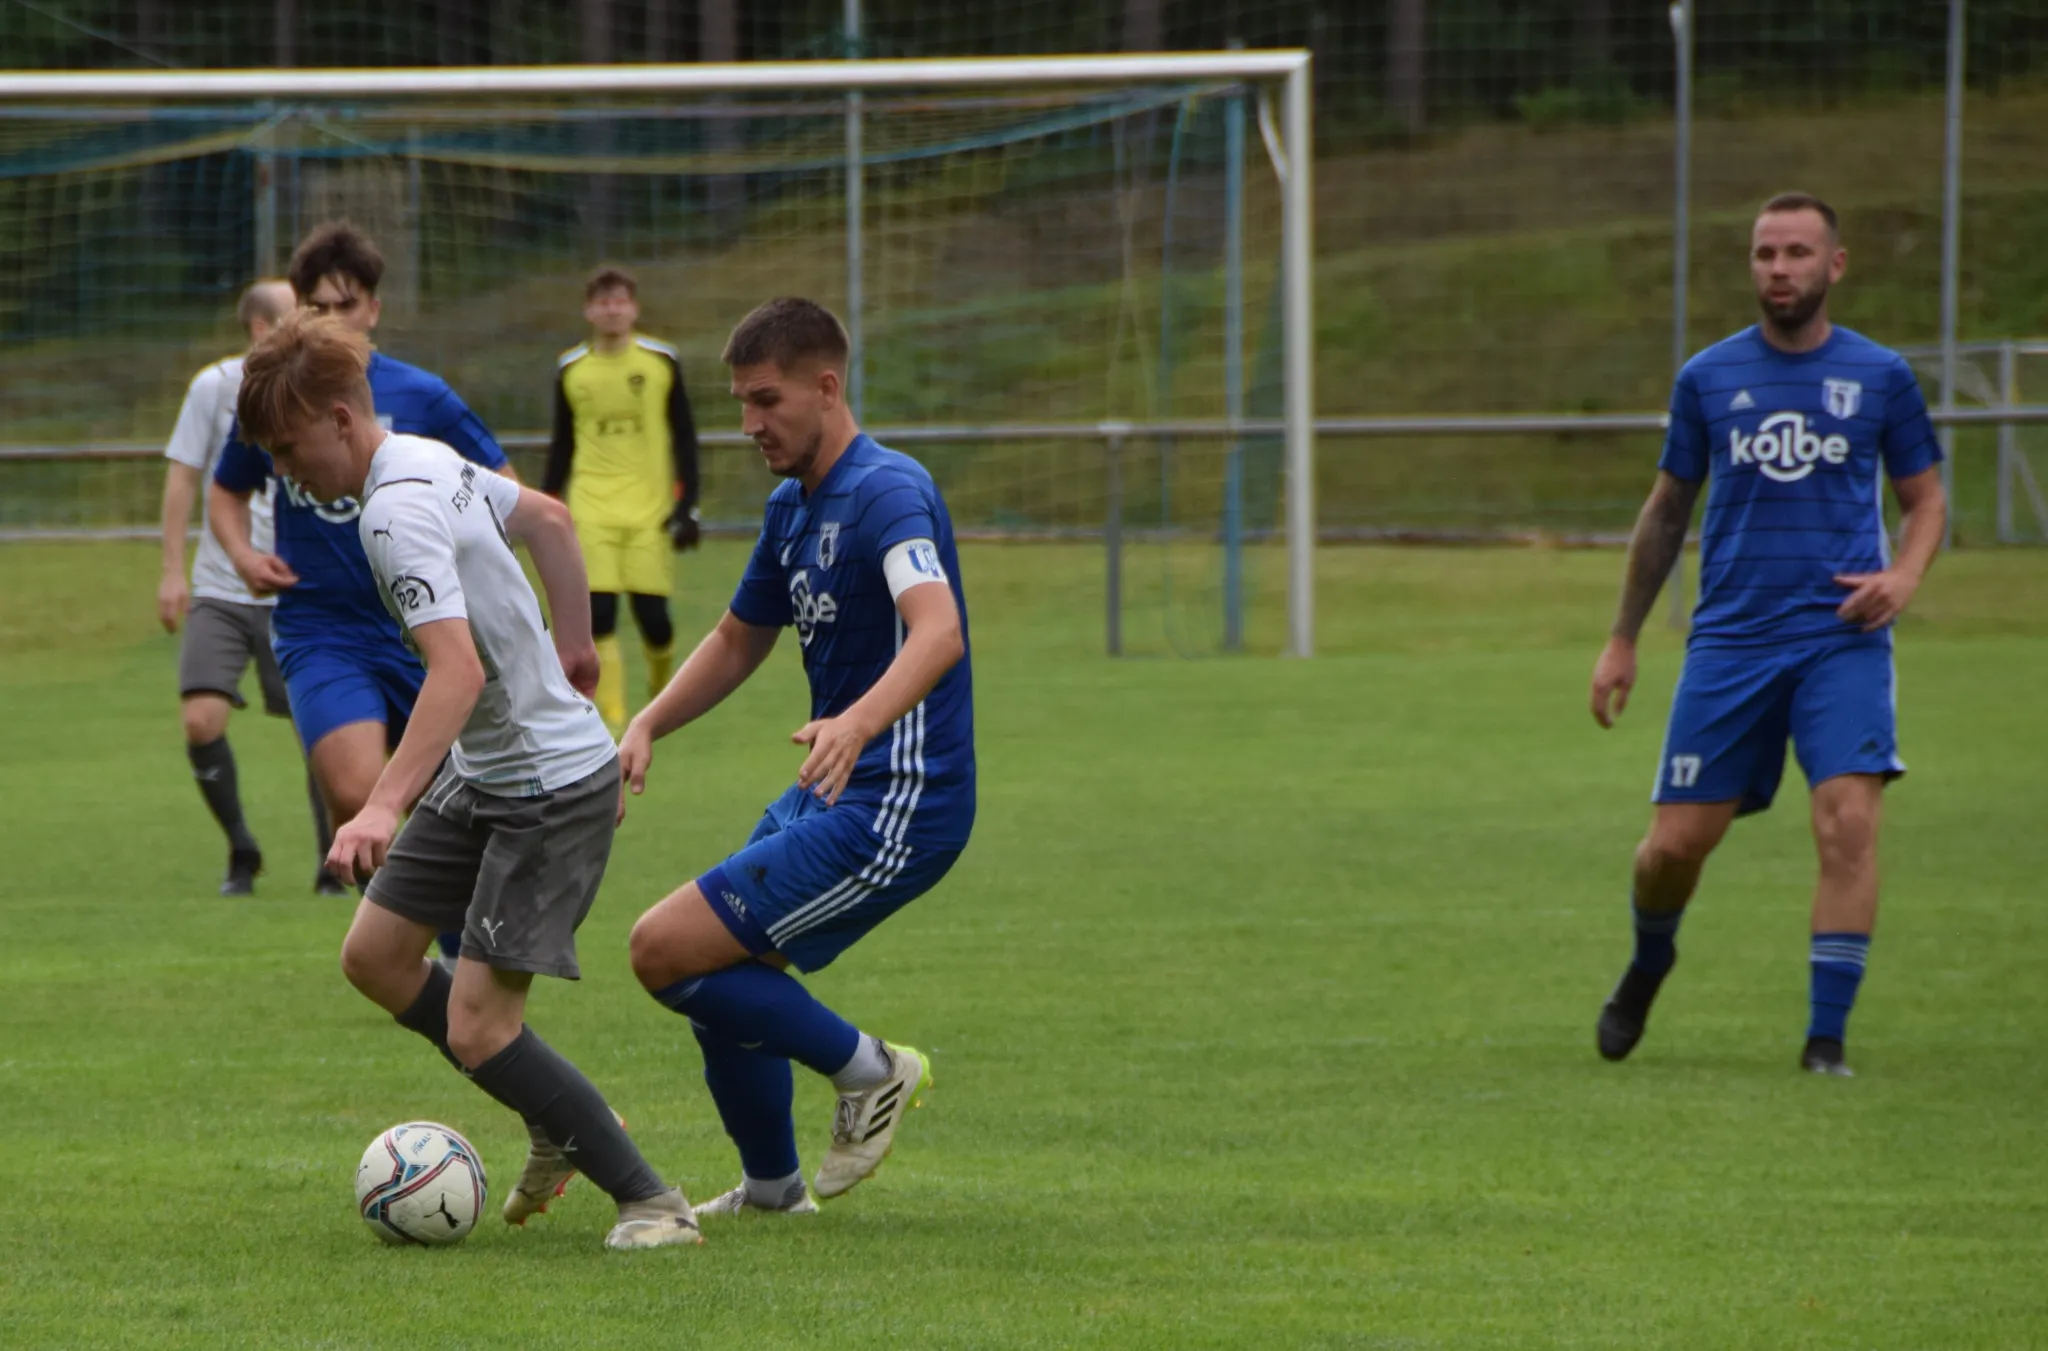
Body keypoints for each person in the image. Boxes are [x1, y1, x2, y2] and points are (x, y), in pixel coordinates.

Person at [236, 310, 701, 1250]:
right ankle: (551, 1116)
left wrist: (380, 804)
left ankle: (654, 1202)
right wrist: (576, 648)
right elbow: (549, 520)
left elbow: (456, 673)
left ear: (339, 418)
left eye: (287, 449)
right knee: (375, 957)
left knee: (482, 1028)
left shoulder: (392, 511)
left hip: (544, 790)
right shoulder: (421, 455)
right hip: (490, 770)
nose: (285, 473)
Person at [619, 297, 972, 1219]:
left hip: (900, 799)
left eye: (766, 400)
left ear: (826, 386)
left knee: (662, 948)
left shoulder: (886, 490)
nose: (749, 424)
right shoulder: (791, 508)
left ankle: (873, 1068)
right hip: (832, 788)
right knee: (719, 981)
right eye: (740, 402)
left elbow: (937, 631)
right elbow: (738, 638)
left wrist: (856, 721)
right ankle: (774, 1189)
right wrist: (648, 722)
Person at [1589, 192, 1947, 1078]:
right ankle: (1650, 959)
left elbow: (1926, 500)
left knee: (1848, 824)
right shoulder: (1707, 378)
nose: (1778, 269)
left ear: (1835, 265)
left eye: (1796, 253)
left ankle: (1826, 1041)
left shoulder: (1880, 375)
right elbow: (1667, 510)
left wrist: (1903, 576)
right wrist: (1623, 638)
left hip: (1840, 636)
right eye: (1764, 253)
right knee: (1674, 848)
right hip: (1732, 641)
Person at [209, 222, 507, 959]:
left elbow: (504, 489)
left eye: (347, 304)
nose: (334, 319)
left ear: (374, 307)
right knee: (357, 790)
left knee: (451, 802)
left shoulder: (423, 397)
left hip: (419, 629)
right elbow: (226, 489)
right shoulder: (277, 399)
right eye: (317, 306)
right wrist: (243, 554)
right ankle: (429, 949)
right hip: (322, 629)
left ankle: (458, 949)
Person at [159, 278, 343, 895]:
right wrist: (171, 571)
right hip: (222, 586)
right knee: (200, 720)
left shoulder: (313, 387)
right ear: (262, 328)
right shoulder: (213, 387)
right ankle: (242, 849)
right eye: (298, 315)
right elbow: (185, 479)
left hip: (295, 588)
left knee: (322, 735)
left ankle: (332, 862)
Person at [543, 266, 702, 734]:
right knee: (600, 613)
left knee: (654, 618)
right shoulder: (571, 368)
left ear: (634, 308)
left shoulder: (660, 361)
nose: (611, 310)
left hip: (650, 507)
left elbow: (685, 436)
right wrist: (547, 502)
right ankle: (610, 718)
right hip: (591, 504)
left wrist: (688, 504)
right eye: (602, 302)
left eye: (619, 301)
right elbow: (562, 442)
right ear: (588, 311)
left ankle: (661, 689)